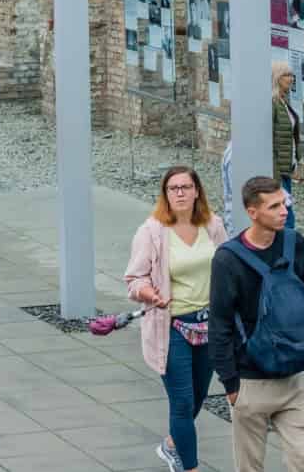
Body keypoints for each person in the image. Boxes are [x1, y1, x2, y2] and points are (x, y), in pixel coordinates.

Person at [208, 176, 304, 472]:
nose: (284, 211)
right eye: (274, 206)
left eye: (284, 203)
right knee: (250, 467)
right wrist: (231, 384)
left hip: (295, 377)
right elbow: (219, 325)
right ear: (252, 211)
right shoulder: (227, 259)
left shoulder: (294, 243)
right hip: (250, 381)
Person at [126, 166, 229, 472]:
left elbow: (228, 266)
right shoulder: (152, 232)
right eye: (174, 188)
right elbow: (134, 279)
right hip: (172, 327)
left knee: (198, 399)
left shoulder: (213, 225)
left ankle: (171, 444)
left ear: (197, 191)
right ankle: (190, 466)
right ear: (166, 195)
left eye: (186, 187)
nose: (180, 193)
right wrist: (149, 294)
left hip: (209, 326)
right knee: (182, 403)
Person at [272, 60, 300, 231]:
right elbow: (270, 139)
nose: (290, 79)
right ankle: (288, 255)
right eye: (286, 75)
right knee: (286, 216)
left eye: (291, 75)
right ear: (277, 78)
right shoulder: (273, 103)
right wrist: (275, 173)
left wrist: (295, 162)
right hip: (278, 171)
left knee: (286, 214)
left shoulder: (283, 102)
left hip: (286, 168)